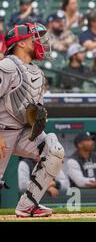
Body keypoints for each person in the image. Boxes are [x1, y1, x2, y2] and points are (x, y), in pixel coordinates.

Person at [0, 22, 65, 217]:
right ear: (19, 43)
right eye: (33, 37)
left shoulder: (38, 72)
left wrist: (35, 121)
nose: (40, 41)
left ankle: (28, 204)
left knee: (54, 149)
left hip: (21, 132)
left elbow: (33, 113)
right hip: (1, 132)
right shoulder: (6, 66)